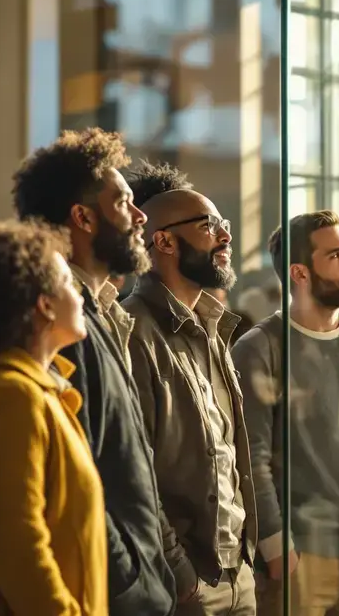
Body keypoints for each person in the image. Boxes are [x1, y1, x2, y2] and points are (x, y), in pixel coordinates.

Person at [12, 129, 175, 616]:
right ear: (82, 217)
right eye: (124, 201)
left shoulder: (100, 313)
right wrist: (130, 583)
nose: (141, 215)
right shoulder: (59, 326)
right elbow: (77, 477)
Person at [232, 210, 339, 616]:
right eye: (337, 256)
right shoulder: (259, 348)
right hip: (297, 560)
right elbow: (251, 460)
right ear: (300, 273)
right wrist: (278, 552)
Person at [0, 222, 106, 615]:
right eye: (69, 283)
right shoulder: (12, 396)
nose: (80, 295)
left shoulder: (38, 392)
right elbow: (18, 544)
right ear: (45, 304)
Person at [122, 162, 259, 615]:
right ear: (162, 240)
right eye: (210, 225)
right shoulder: (132, 331)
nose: (226, 237)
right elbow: (131, 468)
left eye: (225, 225)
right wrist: (178, 571)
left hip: (238, 571)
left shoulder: (214, 327)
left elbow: (228, 451)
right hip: (186, 582)